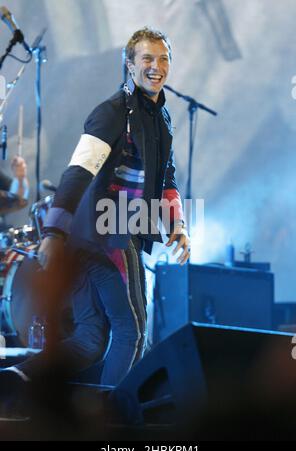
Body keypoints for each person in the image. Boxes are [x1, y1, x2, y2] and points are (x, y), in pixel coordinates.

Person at [6, 27, 191, 388]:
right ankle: (112, 423)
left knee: (90, 339)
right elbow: (77, 172)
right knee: (132, 330)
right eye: (147, 59)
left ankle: (13, 383)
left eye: (164, 58)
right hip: (109, 236)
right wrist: (54, 233)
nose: (157, 66)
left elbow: (166, 179)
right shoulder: (111, 113)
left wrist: (178, 224)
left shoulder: (161, 118)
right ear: (129, 64)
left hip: (107, 235)